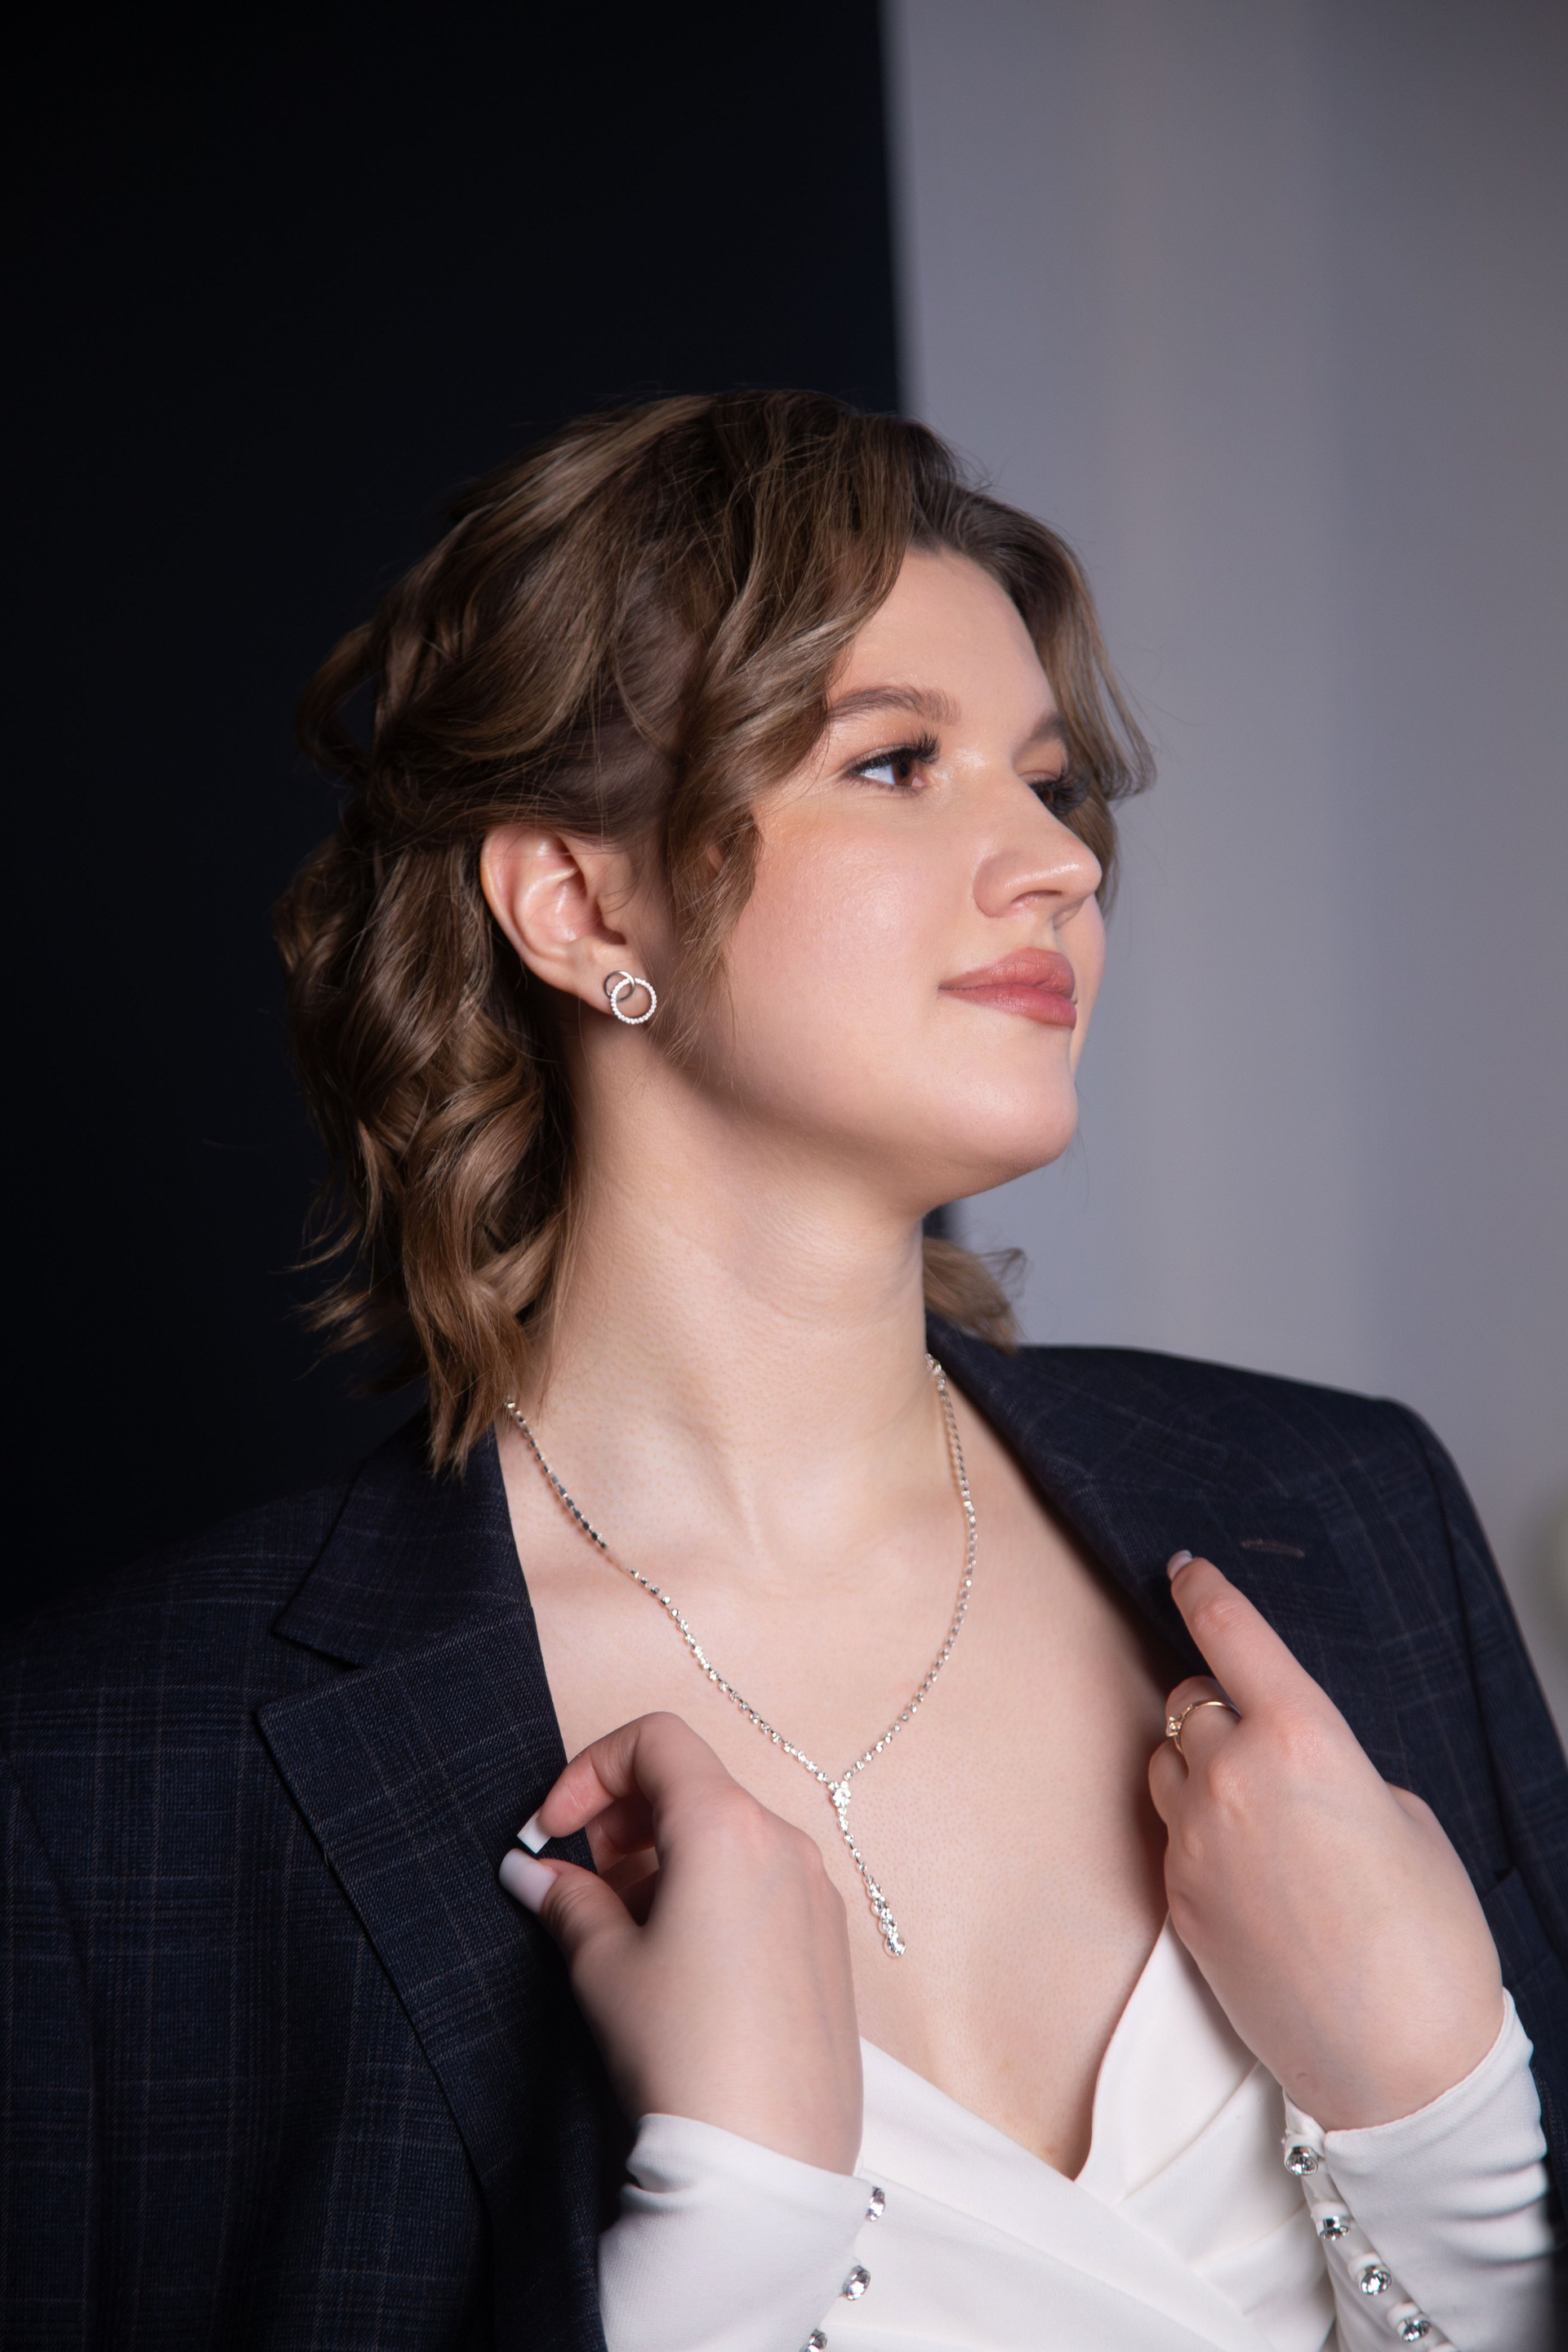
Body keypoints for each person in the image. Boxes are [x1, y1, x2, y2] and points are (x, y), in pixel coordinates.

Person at [1, 394, 1561, 2351]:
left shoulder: (1349, 1513)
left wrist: (1442, 2132)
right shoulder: (116, 1782)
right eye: (898, 762)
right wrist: (722, 2246)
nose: (1057, 865)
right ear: (584, 904)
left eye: (1051, 784)